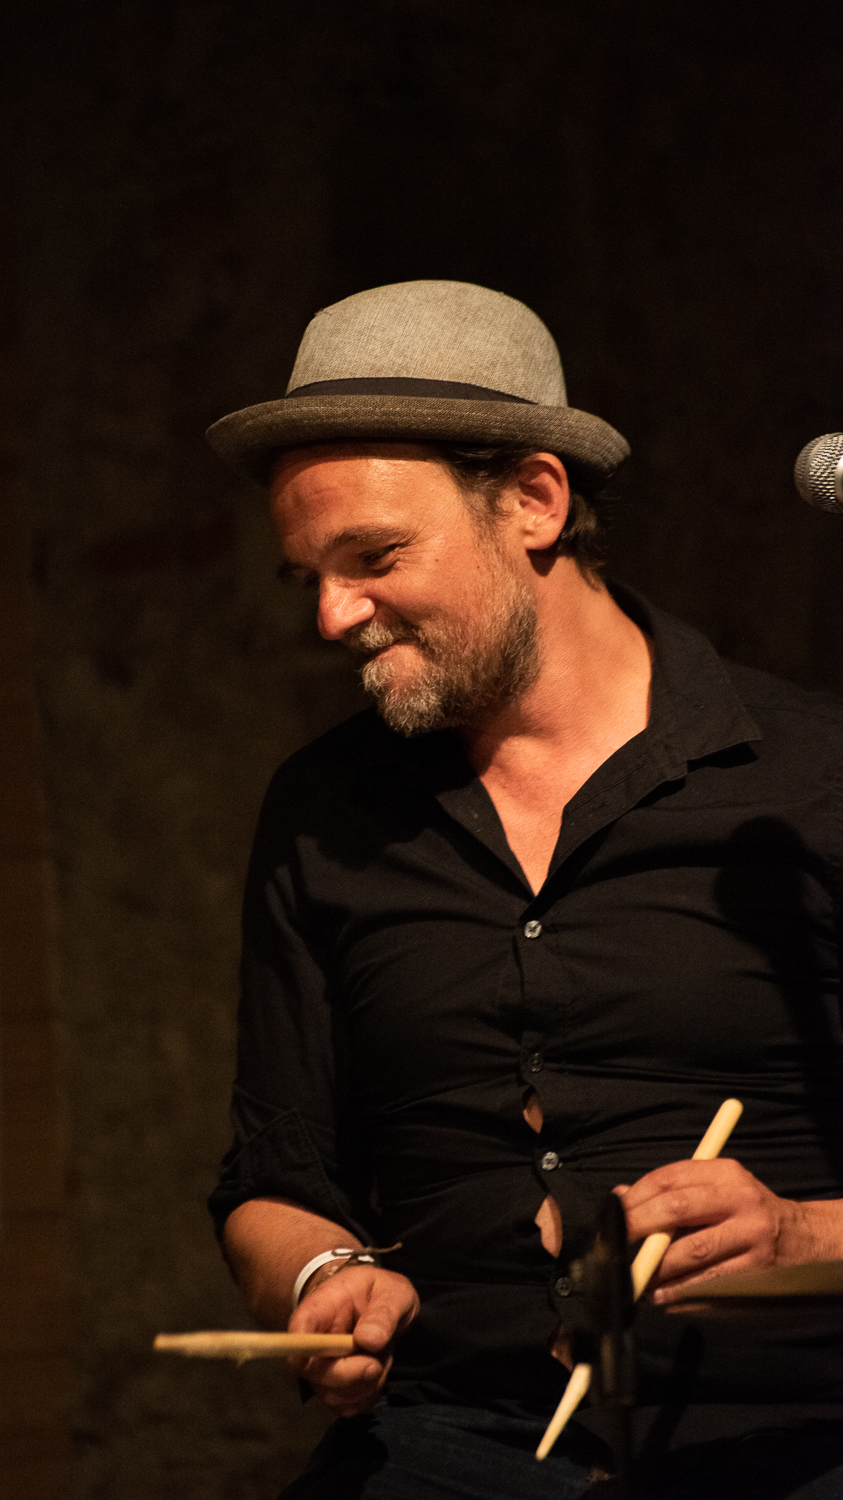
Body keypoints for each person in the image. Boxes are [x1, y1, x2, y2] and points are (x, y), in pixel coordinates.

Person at [205, 281, 843, 1498]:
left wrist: (801, 1234)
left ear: (535, 501)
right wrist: (319, 1279)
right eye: (308, 577)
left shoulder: (806, 785)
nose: (333, 615)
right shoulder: (324, 812)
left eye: (374, 558)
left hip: (791, 1439)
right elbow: (275, 1175)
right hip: (455, 1436)